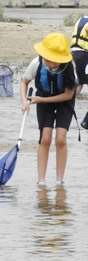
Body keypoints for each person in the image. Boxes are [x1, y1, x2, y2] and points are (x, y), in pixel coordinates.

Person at [20, 33, 78, 186]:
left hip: (63, 102)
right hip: (43, 101)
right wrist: (24, 102)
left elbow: (68, 94)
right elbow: (24, 83)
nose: (51, 64)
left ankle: (59, 180)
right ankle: (41, 181)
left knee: (60, 139)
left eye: (55, 60)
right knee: (45, 139)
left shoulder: (69, 66)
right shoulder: (36, 63)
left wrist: (41, 100)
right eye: (48, 59)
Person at [68, 15, 88, 128]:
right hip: (84, 54)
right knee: (81, 82)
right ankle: (70, 98)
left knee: (79, 82)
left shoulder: (82, 18)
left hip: (74, 53)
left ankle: (70, 97)